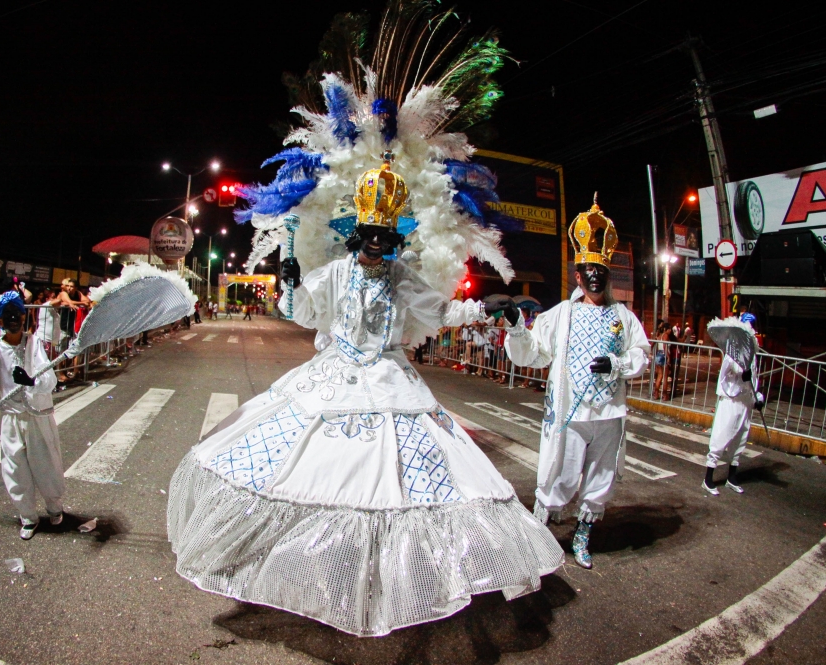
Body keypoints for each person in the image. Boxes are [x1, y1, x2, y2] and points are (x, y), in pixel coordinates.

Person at [168, 159, 562, 637]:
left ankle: (383, 579)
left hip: (392, 382)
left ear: (394, 234)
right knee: (322, 478)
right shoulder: (335, 272)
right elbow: (302, 313)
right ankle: (329, 571)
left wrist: (483, 309)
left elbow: (439, 310)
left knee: (395, 485)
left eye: (384, 231)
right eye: (369, 230)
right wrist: (291, 281)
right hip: (332, 379)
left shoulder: (402, 277)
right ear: (357, 230)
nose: (376, 238)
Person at [504, 195, 650, 569]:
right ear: (579, 275)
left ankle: (584, 531)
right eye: (589, 270)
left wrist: (617, 363)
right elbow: (533, 353)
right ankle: (539, 529)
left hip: (609, 414)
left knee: (601, 477)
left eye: (601, 271)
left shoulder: (624, 316)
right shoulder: (562, 314)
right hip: (570, 413)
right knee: (559, 473)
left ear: (607, 275)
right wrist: (517, 328)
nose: (596, 277)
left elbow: (641, 355)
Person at [0, 291, 64, 540]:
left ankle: (54, 507)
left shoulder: (34, 344)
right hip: (10, 418)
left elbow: (48, 378)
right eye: (6, 315)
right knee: (15, 468)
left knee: (46, 463)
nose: (12, 319)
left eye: (17, 314)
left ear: (24, 316)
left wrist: (32, 381)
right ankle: (28, 516)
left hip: (37, 417)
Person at [704, 319, 763, 496]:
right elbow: (723, 380)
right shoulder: (732, 355)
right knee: (722, 436)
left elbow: (754, 382)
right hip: (731, 402)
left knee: (740, 439)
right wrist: (738, 379)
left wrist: (757, 399)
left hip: (745, 404)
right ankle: (708, 478)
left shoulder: (753, 357)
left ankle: (732, 477)